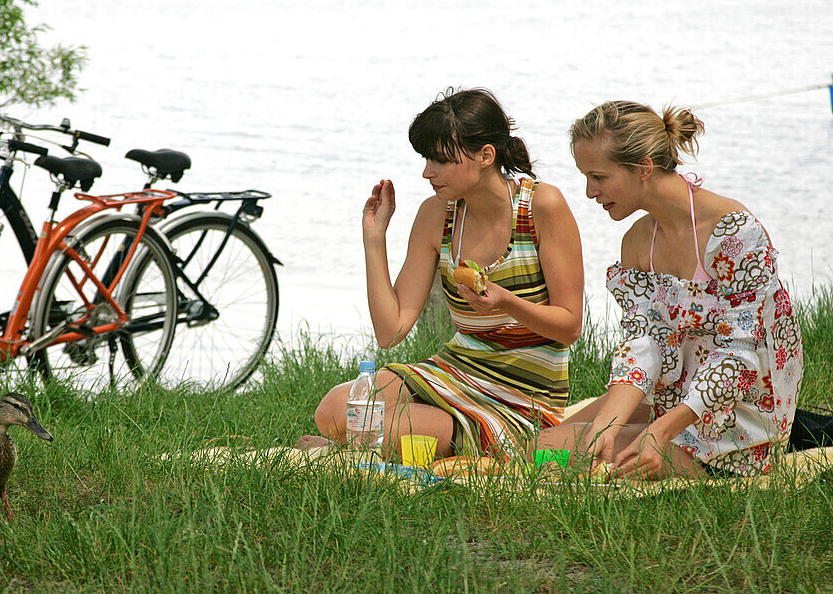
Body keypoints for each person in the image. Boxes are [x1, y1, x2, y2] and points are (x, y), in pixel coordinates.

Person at [298, 88, 584, 460]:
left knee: (368, 422)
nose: (426, 172)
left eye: (440, 161)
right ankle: (375, 441)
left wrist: (505, 301)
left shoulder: (541, 206)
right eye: (426, 159)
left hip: (522, 399)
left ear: (485, 156)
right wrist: (374, 239)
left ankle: (368, 444)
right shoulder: (438, 214)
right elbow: (391, 331)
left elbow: (570, 326)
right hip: (453, 370)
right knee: (336, 407)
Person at [536, 101, 803, 479]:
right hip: (675, 403)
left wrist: (658, 433)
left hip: (745, 415)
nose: (589, 191)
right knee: (542, 449)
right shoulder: (637, 243)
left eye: (598, 177)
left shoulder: (733, 234)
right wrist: (608, 424)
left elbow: (740, 355)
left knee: (597, 467)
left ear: (644, 167)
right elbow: (644, 344)